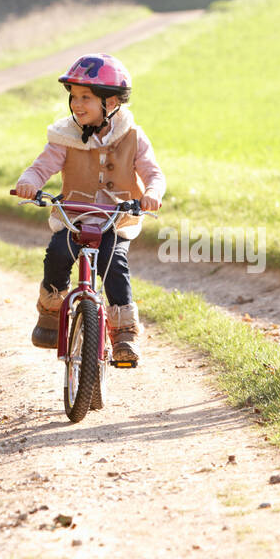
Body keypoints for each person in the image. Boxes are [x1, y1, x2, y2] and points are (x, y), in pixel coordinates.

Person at [13, 53, 165, 366]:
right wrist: (29, 181)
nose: (77, 104)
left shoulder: (133, 136)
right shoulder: (64, 136)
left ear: (111, 104)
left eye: (86, 98)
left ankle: (123, 335)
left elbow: (153, 173)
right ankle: (52, 312)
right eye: (73, 97)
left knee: (113, 262)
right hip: (74, 218)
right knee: (57, 253)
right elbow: (42, 167)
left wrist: (151, 192)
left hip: (115, 219)